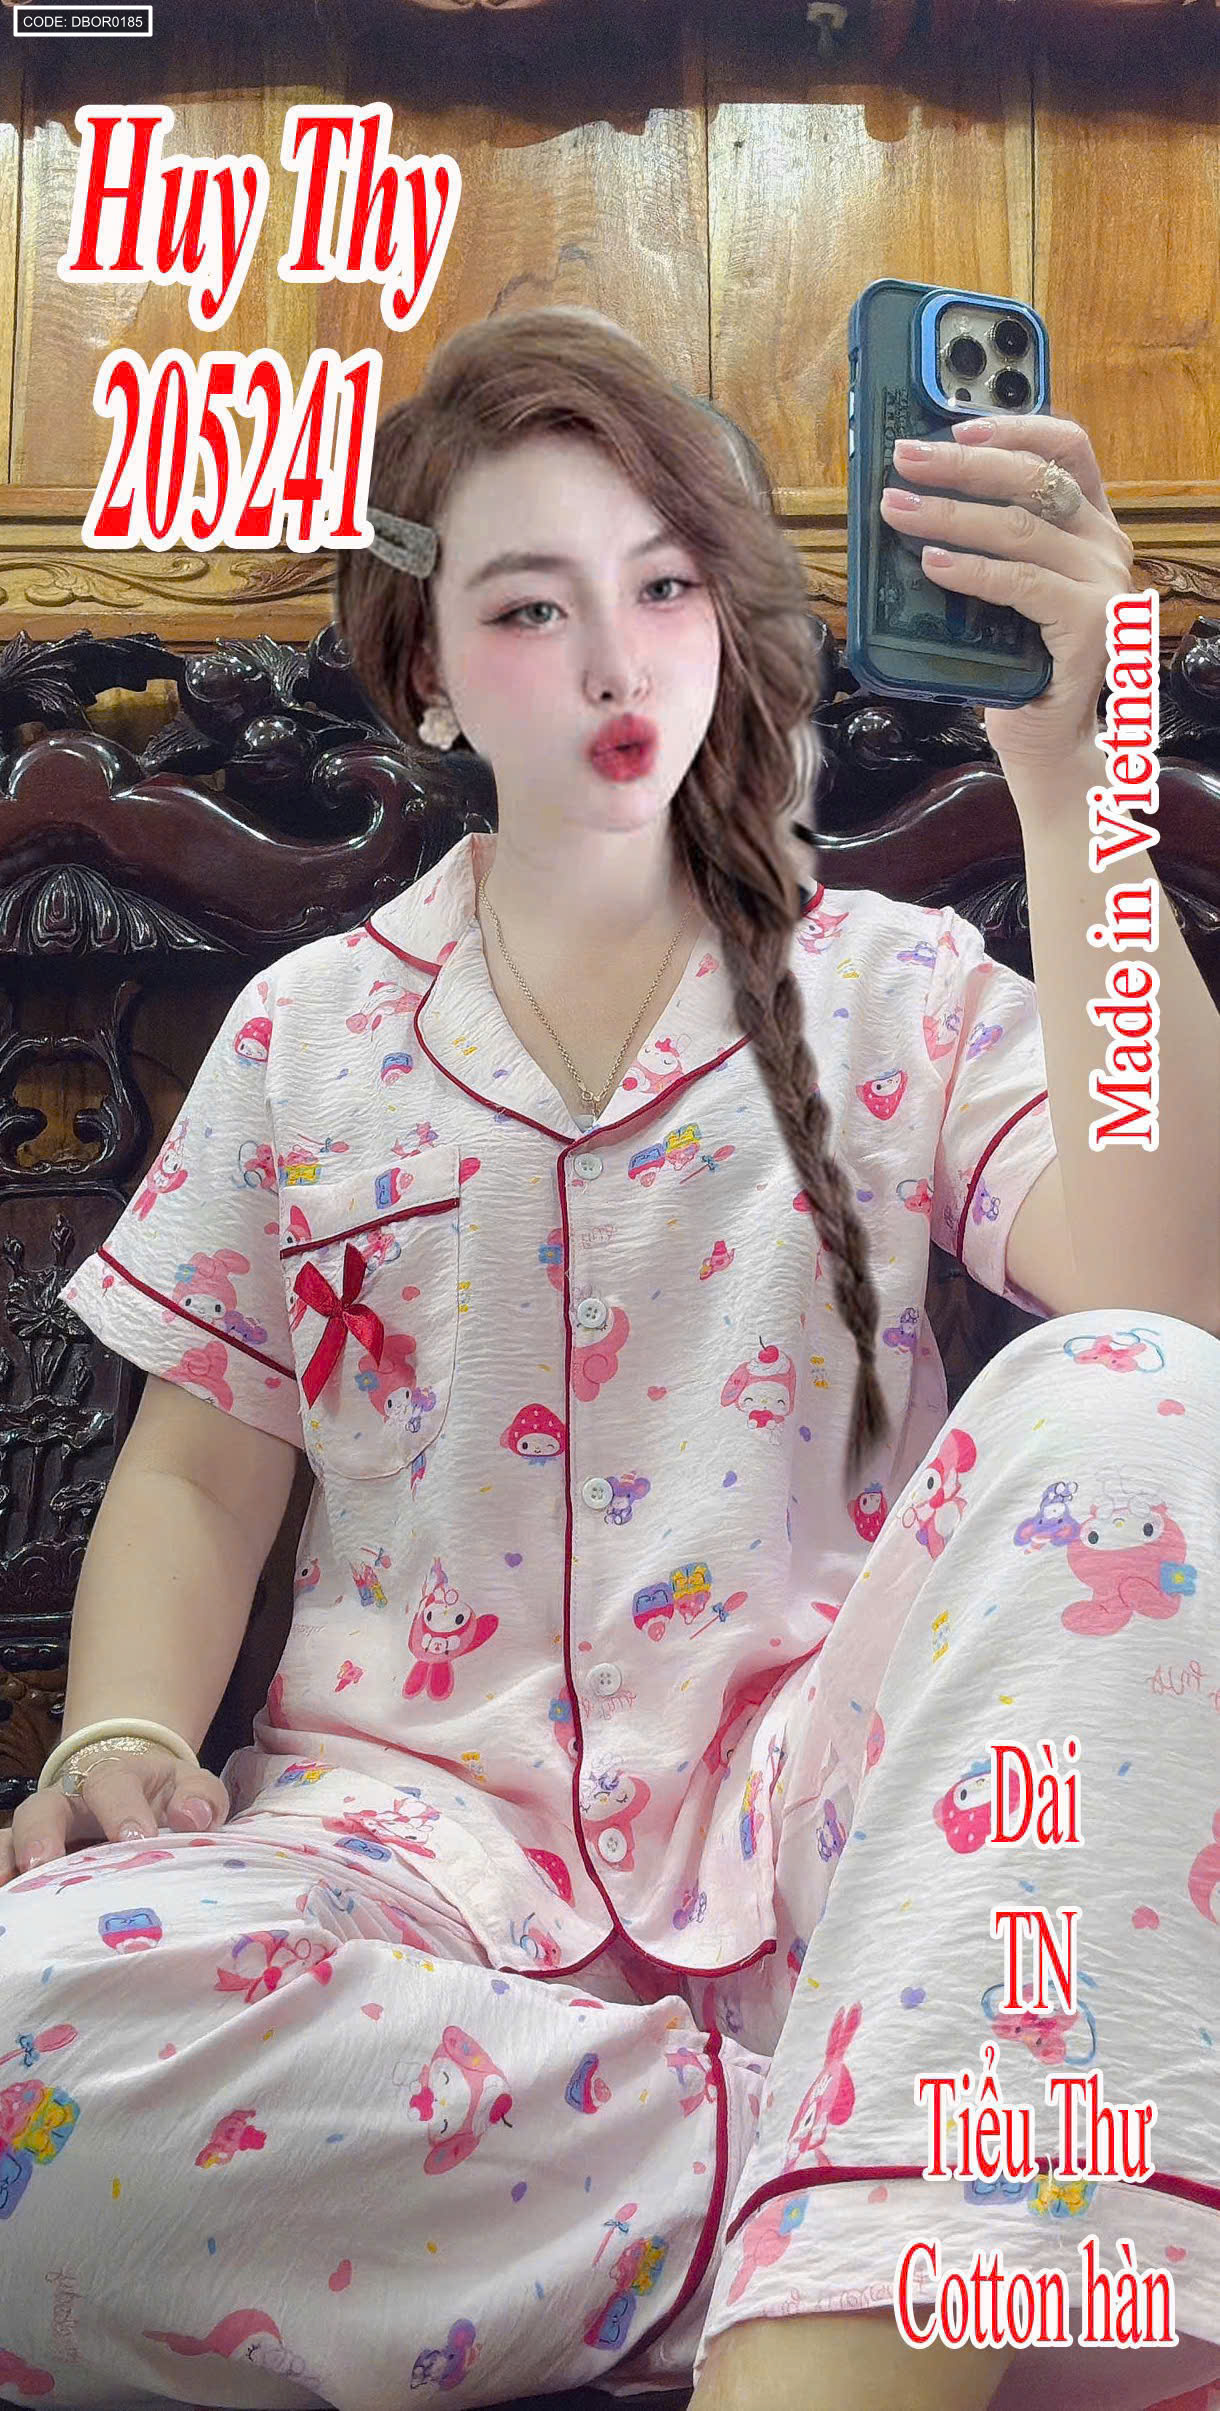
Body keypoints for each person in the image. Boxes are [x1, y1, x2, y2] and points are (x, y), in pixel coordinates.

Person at [1, 306, 1216, 2411]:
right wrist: (113, 1724)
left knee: (1141, 1394)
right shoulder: (305, 1033)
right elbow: (202, 1466)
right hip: (406, 1868)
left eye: (661, 590)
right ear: (426, 669)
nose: (611, 663)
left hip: (857, 1854)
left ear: (728, 627)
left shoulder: (896, 989)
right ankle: (923, 2195)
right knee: (33, 2051)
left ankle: (906, 2196)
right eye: (527, 606)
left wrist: (1080, 777)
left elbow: (1163, 1278)